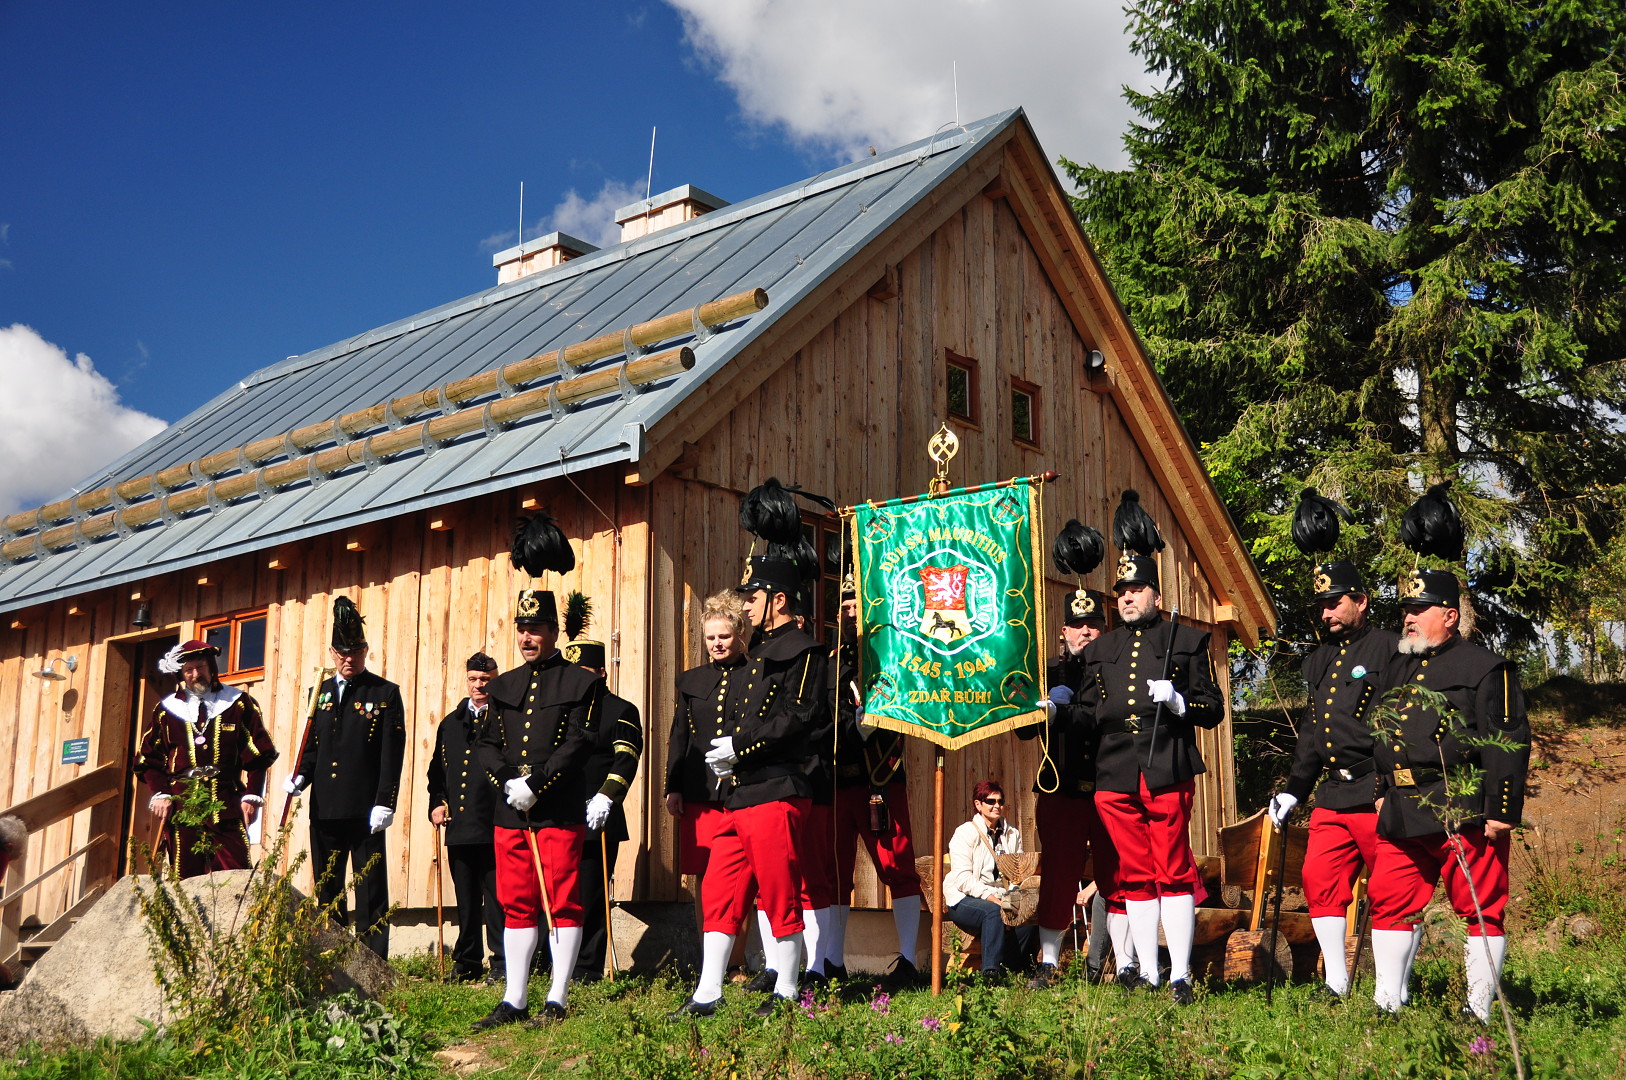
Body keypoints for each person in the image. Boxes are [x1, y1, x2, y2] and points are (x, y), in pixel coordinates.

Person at [1368, 569, 1529, 1022]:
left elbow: (1508, 739)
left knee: (1480, 908)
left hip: (1461, 805)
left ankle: (1477, 1011)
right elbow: (1379, 733)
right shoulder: (1397, 665)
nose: (1410, 618)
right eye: (1406, 610)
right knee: (1390, 902)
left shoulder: (1485, 667)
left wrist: (1500, 810)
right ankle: (1387, 1002)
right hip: (1401, 809)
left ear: (1451, 616)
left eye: (1421, 610)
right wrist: (1380, 788)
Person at [670, 556, 824, 1018]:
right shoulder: (752, 654)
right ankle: (707, 992)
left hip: (778, 788)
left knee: (779, 889)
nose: (746, 607)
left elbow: (799, 718)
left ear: (778, 600)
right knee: (719, 891)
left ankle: (787, 990)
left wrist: (738, 745)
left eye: (753, 598)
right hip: (738, 794)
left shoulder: (804, 651)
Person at [1077, 553, 1222, 1005]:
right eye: (1121, 592)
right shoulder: (1098, 651)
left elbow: (1213, 707)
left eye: (1136, 590)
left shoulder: (1188, 640)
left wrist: (1179, 702)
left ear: (1156, 595)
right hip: (1115, 771)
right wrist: (1056, 710)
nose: (1127, 598)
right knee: (1134, 873)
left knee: (1174, 867)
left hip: (1167, 764)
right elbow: (1086, 714)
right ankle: (1147, 971)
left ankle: (1179, 973)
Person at [471, 588, 601, 1029]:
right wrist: (508, 782)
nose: (526, 638)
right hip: (511, 812)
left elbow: (580, 741)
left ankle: (558, 997)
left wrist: (538, 784)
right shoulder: (503, 685)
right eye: (521, 630)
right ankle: (515, 997)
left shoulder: (581, 682)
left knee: (562, 900)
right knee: (516, 903)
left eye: (535, 630)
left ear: (553, 632)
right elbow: (486, 744)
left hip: (558, 808)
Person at [1267, 561, 1396, 1000]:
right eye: (1322, 606)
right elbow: (1312, 731)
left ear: (1361, 601)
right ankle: (1336, 982)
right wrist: (1293, 789)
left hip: (1378, 790)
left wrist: (1393, 786)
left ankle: (1392, 991)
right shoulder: (1319, 659)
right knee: (1319, 880)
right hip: (1334, 794)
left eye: (1335, 603)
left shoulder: (1391, 649)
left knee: (1392, 890)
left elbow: (1404, 725)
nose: (1326, 614)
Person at [286, 597, 405, 958]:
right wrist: (299, 777)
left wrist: (386, 801)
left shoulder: (384, 693)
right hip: (325, 808)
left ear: (365, 650)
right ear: (332, 652)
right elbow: (312, 747)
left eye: (355, 651)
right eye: (341, 652)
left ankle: (373, 960)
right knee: (328, 886)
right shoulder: (317, 693)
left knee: (370, 886)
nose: (347, 658)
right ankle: (333, 958)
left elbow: (391, 753)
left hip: (365, 808)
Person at [1020, 588, 1123, 987]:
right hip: (1059, 786)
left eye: (1093, 625)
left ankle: (1124, 963)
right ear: (1063, 631)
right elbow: (1025, 731)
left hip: (1107, 787)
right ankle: (1048, 963)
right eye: (1078, 626)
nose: (1085, 632)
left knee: (1116, 875)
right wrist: (1039, 706)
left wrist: (1062, 712)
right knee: (1059, 877)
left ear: (1104, 630)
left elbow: (1100, 719)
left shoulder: (1117, 671)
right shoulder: (1046, 672)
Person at [829, 574, 925, 990]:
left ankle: (908, 960)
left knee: (898, 869)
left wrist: (877, 725)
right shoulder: (829, 661)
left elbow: (911, 703)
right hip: (834, 782)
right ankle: (831, 961)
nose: (851, 612)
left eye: (857, 605)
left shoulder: (892, 656)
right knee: (833, 875)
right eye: (845, 605)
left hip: (878, 779)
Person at [137, 639, 278, 877]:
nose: (195, 674)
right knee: (186, 875)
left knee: (237, 874)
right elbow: (148, 759)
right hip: (183, 805)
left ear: (211, 667)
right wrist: (160, 793)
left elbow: (258, 754)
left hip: (227, 802)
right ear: (181, 674)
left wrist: (252, 796)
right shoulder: (166, 710)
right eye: (188, 670)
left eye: (200, 667)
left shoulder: (238, 703)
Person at [564, 629, 642, 983]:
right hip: (559, 815)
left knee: (590, 894)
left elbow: (626, 757)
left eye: (584, 673)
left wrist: (607, 796)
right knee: (557, 892)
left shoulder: (620, 709)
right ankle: (552, 962)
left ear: (600, 673)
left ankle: (586, 968)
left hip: (598, 815)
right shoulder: (561, 710)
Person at [427, 652, 504, 982]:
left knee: (498, 899)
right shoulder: (450, 724)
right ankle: (468, 962)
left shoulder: (505, 720)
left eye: (485, 680)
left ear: (494, 681)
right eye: (473, 679)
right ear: (467, 680)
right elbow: (436, 774)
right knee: (467, 900)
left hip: (496, 824)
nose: (479, 685)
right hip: (459, 826)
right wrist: (437, 802)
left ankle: (502, 962)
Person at [943, 780, 1036, 976]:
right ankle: (990, 972)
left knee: (1029, 916)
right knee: (993, 912)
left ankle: (1016, 970)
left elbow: (1016, 872)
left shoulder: (1012, 834)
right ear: (978, 804)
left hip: (1002, 895)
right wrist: (990, 896)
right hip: (963, 898)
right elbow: (962, 879)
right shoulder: (965, 833)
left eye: (1000, 801)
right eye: (991, 801)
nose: (997, 806)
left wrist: (1016, 895)